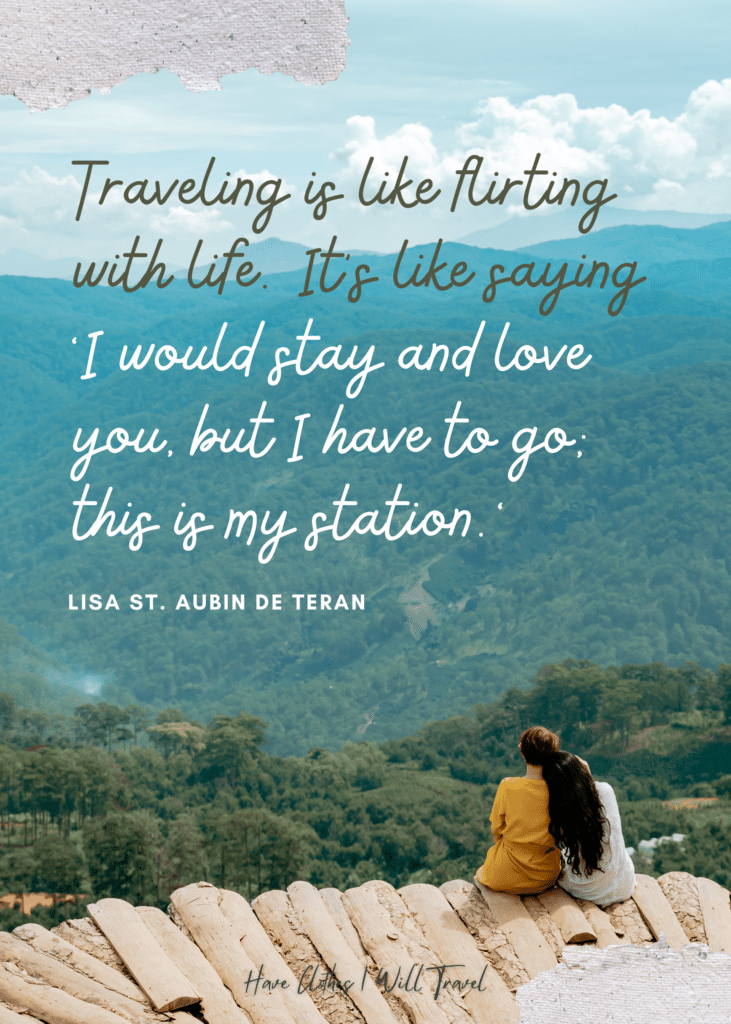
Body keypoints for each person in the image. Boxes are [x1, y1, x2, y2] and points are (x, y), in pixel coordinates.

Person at [475, 725, 563, 895]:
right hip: (545, 876)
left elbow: (496, 829)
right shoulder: (558, 789)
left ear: (521, 751)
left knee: (483, 870)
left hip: (504, 874)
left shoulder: (508, 785)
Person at [555, 755, 635, 906]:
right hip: (624, 885)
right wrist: (585, 770)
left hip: (589, 891)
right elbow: (590, 789)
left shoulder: (563, 805)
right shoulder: (606, 790)